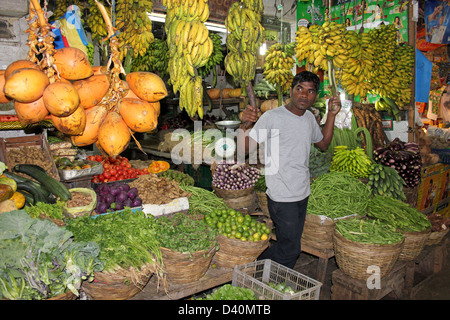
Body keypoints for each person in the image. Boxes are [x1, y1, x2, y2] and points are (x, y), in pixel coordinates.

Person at [237, 71, 341, 269]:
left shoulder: (309, 118)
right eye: (299, 89)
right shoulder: (272, 117)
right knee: (291, 248)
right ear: (291, 91)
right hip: (281, 194)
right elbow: (243, 151)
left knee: (289, 243)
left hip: (302, 192)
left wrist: (331, 115)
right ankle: (256, 270)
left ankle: (262, 272)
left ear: (315, 96)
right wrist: (245, 124)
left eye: (310, 91)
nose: (304, 95)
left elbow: (324, 144)